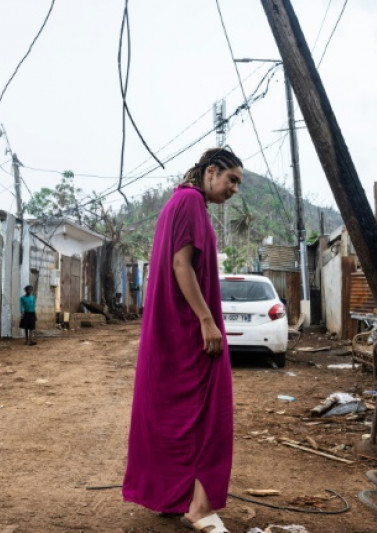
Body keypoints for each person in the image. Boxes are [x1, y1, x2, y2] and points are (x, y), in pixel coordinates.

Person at [122, 147, 243, 533]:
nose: (234, 189)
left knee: (174, 414)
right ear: (211, 171)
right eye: (232, 180)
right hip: (189, 329)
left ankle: (175, 496)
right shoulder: (190, 201)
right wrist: (207, 321)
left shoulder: (181, 200)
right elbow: (180, 264)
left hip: (172, 328)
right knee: (211, 415)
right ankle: (200, 507)